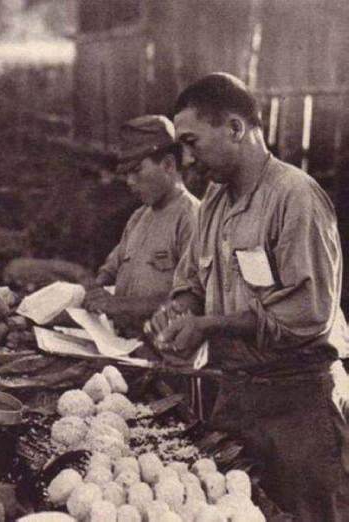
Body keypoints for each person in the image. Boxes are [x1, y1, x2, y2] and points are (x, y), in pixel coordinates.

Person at [153, 72, 349, 520]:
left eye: (191, 141)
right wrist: (180, 314)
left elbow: (311, 311)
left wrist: (212, 325)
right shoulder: (214, 204)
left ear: (236, 129)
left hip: (299, 408)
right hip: (236, 398)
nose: (186, 159)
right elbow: (191, 285)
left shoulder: (295, 197)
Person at [83, 115, 199, 337]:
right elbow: (110, 270)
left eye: (137, 171)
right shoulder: (138, 217)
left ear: (168, 165)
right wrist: (95, 288)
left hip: (162, 346)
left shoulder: (192, 218)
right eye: (127, 173)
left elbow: (193, 300)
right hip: (120, 340)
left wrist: (120, 305)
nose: (130, 182)